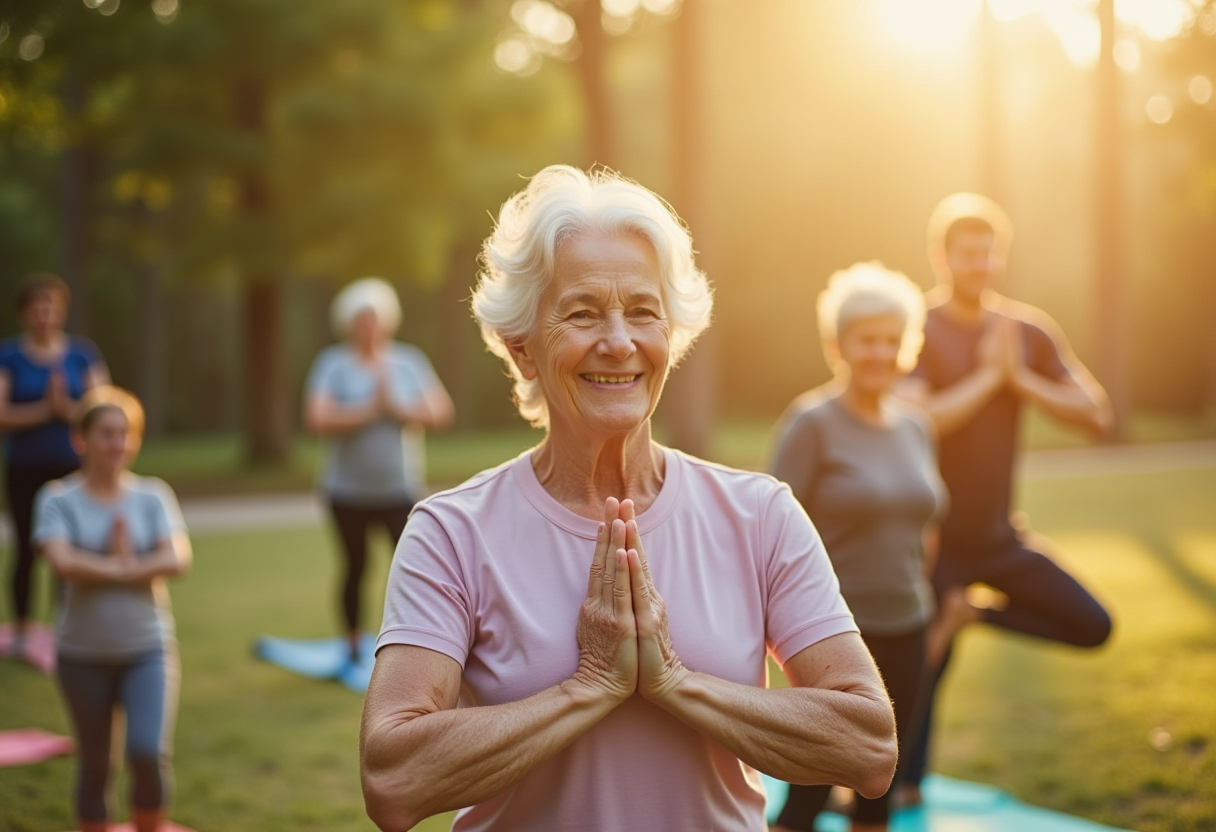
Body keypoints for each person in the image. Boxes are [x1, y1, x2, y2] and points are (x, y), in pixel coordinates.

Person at [359, 166, 897, 832]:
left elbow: (869, 748)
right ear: (522, 350)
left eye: (643, 311)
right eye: (583, 313)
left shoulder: (761, 515)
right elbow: (393, 781)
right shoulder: (452, 531)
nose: (619, 342)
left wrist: (674, 682)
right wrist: (588, 687)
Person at [898, 193, 1114, 804]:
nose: (981, 264)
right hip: (933, 541)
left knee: (1093, 625)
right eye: (968, 254)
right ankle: (899, 786)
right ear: (941, 257)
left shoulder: (1028, 332)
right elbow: (917, 420)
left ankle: (972, 614)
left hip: (1000, 538)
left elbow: (1095, 413)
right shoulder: (918, 326)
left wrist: (1020, 378)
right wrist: (991, 377)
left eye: (989, 253)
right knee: (918, 673)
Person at [768, 263, 947, 832]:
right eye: (867, 339)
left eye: (891, 340)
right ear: (838, 345)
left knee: (878, 792)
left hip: (910, 625)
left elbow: (926, 522)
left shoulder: (917, 428)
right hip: (835, 634)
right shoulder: (812, 423)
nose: (880, 352)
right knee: (808, 797)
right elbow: (770, 531)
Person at [33, 386, 191, 832]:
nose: (118, 443)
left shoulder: (152, 495)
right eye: (107, 433)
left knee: (147, 752)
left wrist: (109, 567)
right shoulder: (57, 498)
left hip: (147, 650)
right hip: (81, 655)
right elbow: (62, 562)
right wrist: (130, 567)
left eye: (126, 433)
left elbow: (177, 559)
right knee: (96, 762)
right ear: (80, 439)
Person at [304, 277, 455, 663]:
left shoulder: (408, 361)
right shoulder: (333, 364)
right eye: (361, 319)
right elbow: (317, 418)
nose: (369, 326)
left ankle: (413, 643)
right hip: (346, 492)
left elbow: (441, 412)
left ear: (388, 320)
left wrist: (398, 409)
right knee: (356, 567)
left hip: (399, 490)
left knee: (409, 569)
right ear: (348, 323)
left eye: (374, 317)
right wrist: (371, 409)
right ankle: (353, 644)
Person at [1, 272, 109, 658]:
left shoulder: (81, 354)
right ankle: (23, 630)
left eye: (51, 307)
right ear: (24, 313)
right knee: (27, 551)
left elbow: (103, 408)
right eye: (37, 307)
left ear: (62, 311)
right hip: (24, 468)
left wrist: (67, 410)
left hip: (71, 471)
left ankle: (68, 627)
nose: (44, 314)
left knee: (71, 549)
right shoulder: (9, 356)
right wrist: (45, 410)